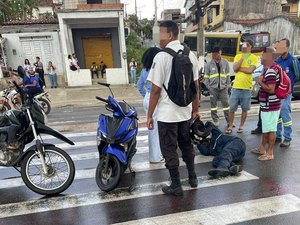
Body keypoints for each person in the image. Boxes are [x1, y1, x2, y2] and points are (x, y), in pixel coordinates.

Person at [146, 21, 200, 196]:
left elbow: (155, 91)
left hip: (167, 114)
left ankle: (176, 184)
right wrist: (195, 110)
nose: (159, 38)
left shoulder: (161, 57)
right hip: (185, 111)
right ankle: (192, 178)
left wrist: (149, 116)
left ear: (169, 35)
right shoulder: (190, 55)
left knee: (169, 148)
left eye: (160, 34)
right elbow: (195, 87)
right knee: (186, 144)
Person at [251, 47, 281, 160]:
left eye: (263, 55)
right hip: (267, 105)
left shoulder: (272, 70)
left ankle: (270, 152)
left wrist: (259, 82)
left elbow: (271, 89)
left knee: (270, 129)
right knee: (266, 128)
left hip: (271, 105)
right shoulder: (267, 69)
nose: (261, 57)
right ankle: (262, 148)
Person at [137, 47, 164, 164]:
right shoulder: (155, 70)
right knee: (155, 130)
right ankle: (155, 157)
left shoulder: (144, 70)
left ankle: (156, 155)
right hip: (154, 99)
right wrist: (151, 97)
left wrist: (146, 96)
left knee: (152, 129)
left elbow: (139, 86)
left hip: (148, 98)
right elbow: (157, 90)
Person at [226, 40, 258, 134]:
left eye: (247, 45)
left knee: (245, 108)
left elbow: (250, 70)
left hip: (246, 87)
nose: (244, 47)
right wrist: (243, 58)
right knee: (232, 108)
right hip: (236, 86)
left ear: (251, 47)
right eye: (243, 45)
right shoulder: (238, 56)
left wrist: (240, 69)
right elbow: (235, 69)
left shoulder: (254, 58)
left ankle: (241, 126)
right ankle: (230, 125)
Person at [275, 38, 300, 147]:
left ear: (287, 47)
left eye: (281, 46)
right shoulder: (278, 60)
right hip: (276, 92)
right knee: (277, 115)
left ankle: (287, 138)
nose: (279, 48)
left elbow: (298, 75)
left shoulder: (293, 60)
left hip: (287, 93)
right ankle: (278, 136)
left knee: (285, 112)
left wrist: (289, 85)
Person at [204, 47, 231, 126]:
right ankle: (215, 120)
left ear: (220, 53)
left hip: (223, 88)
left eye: (216, 54)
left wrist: (227, 86)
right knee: (213, 106)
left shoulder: (225, 62)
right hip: (213, 89)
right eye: (213, 54)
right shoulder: (209, 64)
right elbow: (206, 77)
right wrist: (209, 87)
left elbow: (228, 75)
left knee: (226, 105)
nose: (215, 55)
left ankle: (229, 121)